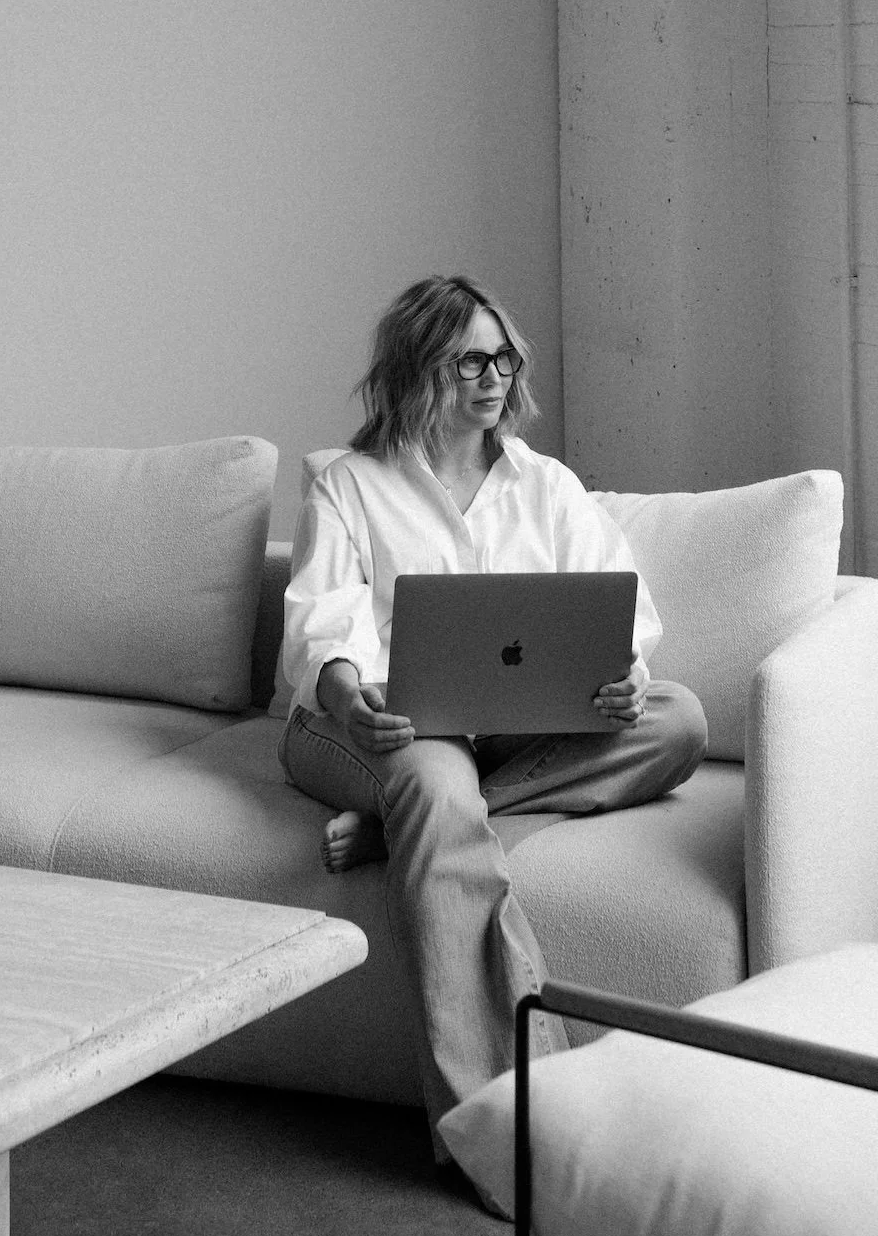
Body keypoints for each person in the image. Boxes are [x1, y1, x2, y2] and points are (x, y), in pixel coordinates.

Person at [275, 274, 708, 1172]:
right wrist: (353, 697)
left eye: (502, 356)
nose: (494, 377)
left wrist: (620, 678)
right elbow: (321, 619)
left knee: (677, 721)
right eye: (468, 359)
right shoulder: (347, 485)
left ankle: (409, 829)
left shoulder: (547, 485)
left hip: (507, 732)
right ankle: (498, 1131)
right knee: (435, 780)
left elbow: (618, 612)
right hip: (375, 729)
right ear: (416, 371)